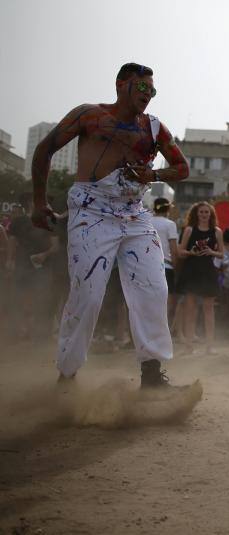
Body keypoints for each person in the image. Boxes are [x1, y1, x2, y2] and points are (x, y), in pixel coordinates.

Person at [30, 62, 191, 386]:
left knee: (154, 289)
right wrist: (38, 202)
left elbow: (182, 167)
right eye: (142, 87)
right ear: (121, 84)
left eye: (153, 90)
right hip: (91, 212)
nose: (148, 95)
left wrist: (155, 174)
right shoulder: (89, 115)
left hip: (134, 214)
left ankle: (151, 376)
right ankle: (67, 375)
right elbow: (44, 149)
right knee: (88, 294)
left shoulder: (154, 128)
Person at [6, 193, 60, 340]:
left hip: (43, 267)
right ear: (31, 203)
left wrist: (44, 255)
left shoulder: (49, 221)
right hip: (22, 265)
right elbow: (12, 241)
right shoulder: (18, 221)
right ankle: (19, 331)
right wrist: (9, 261)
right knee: (18, 298)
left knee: (41, 298)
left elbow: (56, 246)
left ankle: (40, 332)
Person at [177, 202, 224, 354]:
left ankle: (210, 346)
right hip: (192, 271)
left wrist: (211, 251)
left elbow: (222, 254)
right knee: (190, 310)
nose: (204, 214)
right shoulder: (189, 230)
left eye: (206, 212)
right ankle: (188, 346)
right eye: (201, 212)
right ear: (196, 213)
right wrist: (191, 252)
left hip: (208, 271)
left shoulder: (217, 231)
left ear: (211, 214)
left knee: (208, 309)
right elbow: (180, 252)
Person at [151, 198, 179, 325]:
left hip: (147, 267)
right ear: (168, 209)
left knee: (149, 301)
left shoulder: (146, 222)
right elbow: (173, 249)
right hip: (166, 267)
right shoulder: (170, 224)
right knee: (168, 302)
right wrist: (177, 268)